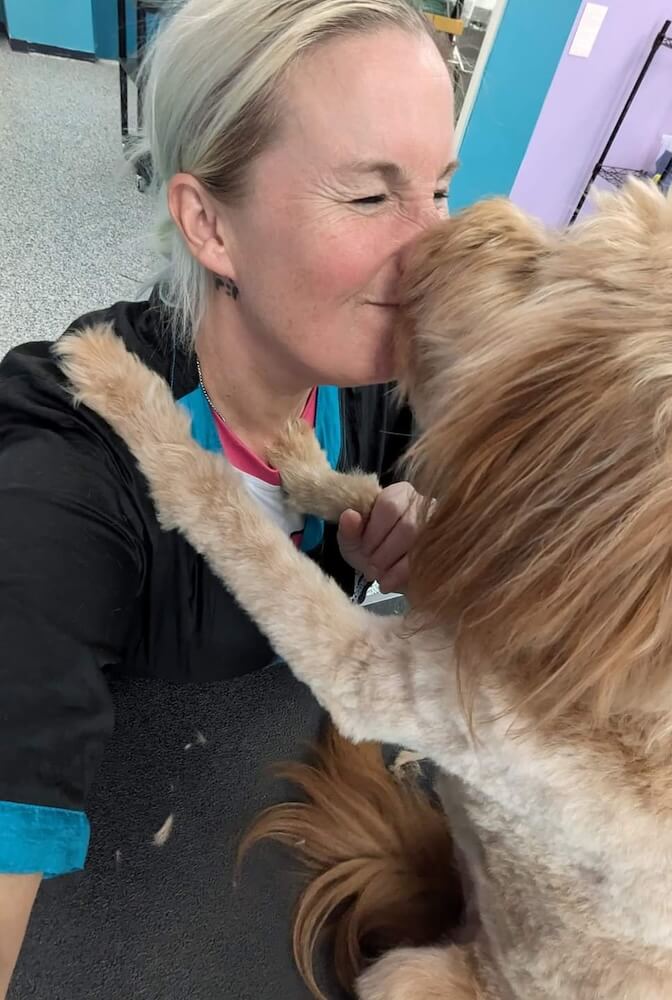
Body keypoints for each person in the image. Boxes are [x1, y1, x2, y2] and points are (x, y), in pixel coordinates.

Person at [0, 0, 456, 996]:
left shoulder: (371, 382)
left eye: (439, 189)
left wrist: (438, 541)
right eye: (371, 198)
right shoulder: (68, 472)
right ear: (210, 223)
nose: (437, 253)